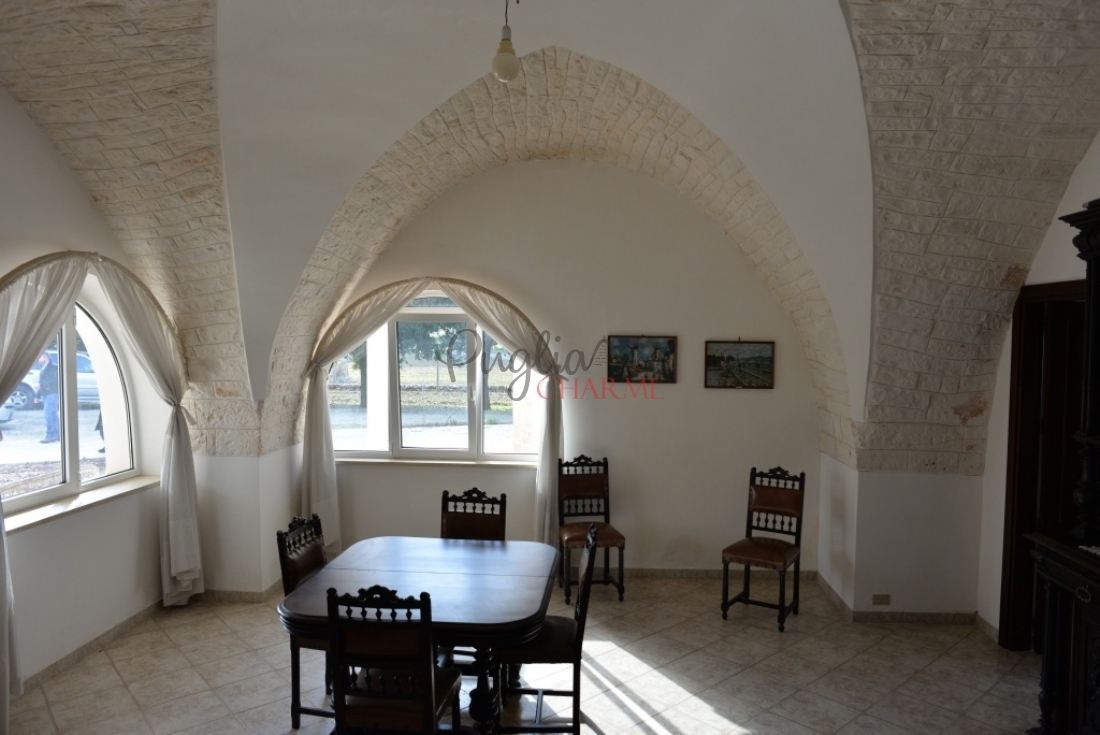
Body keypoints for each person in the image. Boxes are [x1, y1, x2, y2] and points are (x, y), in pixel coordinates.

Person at [35, 352, 59, 443]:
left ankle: (51, 435)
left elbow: (54, 382)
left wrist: (41, 386)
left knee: (49, 415)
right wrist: (37, 395)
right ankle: (57, 434)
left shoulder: (53, 368)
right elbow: (42, 381)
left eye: (39, 357)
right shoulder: (44, 367)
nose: (38, 360)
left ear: (45, 357)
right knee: (52, 415)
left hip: (51, 394)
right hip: (47, 394)